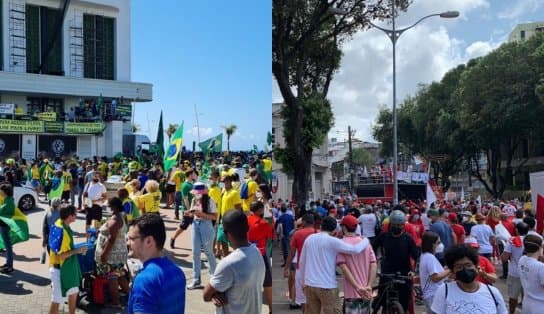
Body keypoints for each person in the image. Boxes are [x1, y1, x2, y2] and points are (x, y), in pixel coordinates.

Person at [298, 216, 370, 314]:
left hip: (309, 285)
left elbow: (302, 262)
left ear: (322, 226)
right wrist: (366, 240)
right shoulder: (333, 241)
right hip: (327, 286)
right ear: (334, 229)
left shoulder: (309, 239)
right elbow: (355, 249)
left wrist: (303, 282)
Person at [203, 210, 265, 314]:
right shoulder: (257, 252)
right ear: (247, 228)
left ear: (227, 234)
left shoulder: (229, 264)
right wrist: (215, 294)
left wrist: (214, 294)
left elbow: (206, 295)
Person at [127, 214, 186, 314]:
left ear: (148, 241)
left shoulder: (144, 281)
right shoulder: (178, 271)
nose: (128, 243)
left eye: (131, 238)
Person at [431, 244, 507, 314]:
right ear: (453, 270)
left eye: (468, 265)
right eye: (459, 267)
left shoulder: (493, 293)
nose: (465, 269)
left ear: (476, 266)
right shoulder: (444, 291)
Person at [373, 210, 420, 313]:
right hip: (386, 273)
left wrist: (413, 271)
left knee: (404, 302)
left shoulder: (408, 239)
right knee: (382, 299)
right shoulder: (383, 236)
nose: (397, 227)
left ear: (403, 225)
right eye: (395, 224)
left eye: (399, 225)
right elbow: (372, 249)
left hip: (404, 274)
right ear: (390, 224)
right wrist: (374, 264)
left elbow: (416, 256)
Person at [48, 205, 88, 314]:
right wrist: (77, 251)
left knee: (74, 293)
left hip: (66, 269)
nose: (76, 216)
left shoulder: (59, 223)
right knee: (56, 300)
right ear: (70, 216)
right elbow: (60, 256)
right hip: (60, 270)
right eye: (75, 214)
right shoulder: (63, 231)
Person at [337, 214, 377, 314]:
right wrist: (369, 285)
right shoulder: (365, 242)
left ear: (344, 227)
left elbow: (344, 268)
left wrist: (357, 287)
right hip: (366, 292)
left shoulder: (341, 244)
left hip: (351, 292)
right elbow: (373, 264)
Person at [94, 197, 129, 308]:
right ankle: (132, 295)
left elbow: (111, 239)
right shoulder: (121, 216)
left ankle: (116, 302)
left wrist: (104, 254)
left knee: (112, 277)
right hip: (119, 253)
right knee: (120, 275)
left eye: (107, 206)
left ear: (113, 207)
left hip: (111, 255)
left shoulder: (114, 220)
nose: (106, 208)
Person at [186, 182, 218, 290]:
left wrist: (201, 214)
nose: (196, 195)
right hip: (195, 225)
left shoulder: (210, 201)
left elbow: (214, 217)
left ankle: (214, 277)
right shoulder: (193, 200)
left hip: (206, 226)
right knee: (195, 253)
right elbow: (192, 213)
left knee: (209, 252)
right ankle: (196, 280)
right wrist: (189, 213)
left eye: (198, 193)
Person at [283, 213, 316, 310]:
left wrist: (286, 268)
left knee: (302, 298)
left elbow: (292, 253)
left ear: (304, 222)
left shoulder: (298, 234)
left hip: (300, 267)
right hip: (314, 268)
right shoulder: (317, 233)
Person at [247, 200, 274, 313]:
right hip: (260, 255)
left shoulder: (245, 221)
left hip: (246, 254)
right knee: (267, 283)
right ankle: (271, 309)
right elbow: (272, 236)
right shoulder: (263, 223)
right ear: (259, 210)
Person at [419, 231, 450, 314]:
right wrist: (450, 270)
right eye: (438, 242)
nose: (440, 245)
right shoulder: (429, 258)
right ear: (432, 244)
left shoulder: (426, 256)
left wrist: (444, 270)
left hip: (433, 294)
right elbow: (435, 278)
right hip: (433, 295)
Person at [501, 222, 528, 314]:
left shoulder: (512, 240)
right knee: (527, 296)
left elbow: (504, 258)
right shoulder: (533, 240)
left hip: (514, 273)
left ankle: (511, 313)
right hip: (529, 273)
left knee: (513, 297)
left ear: (516, 230)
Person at [518, 234, 544, 313]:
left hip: (527, 303)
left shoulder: (522, 259)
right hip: (540, 305)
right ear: (539, 248)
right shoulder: (540, 266)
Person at [0, 183, 16, 273]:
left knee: (8, 247)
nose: (0, 192)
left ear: (5, 192)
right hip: (5, 226)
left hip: (5, 227)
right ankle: (8, 264)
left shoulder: (8, 203)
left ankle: (9, 266)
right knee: (8, 246)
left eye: (1, 191)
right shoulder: (8, 199)